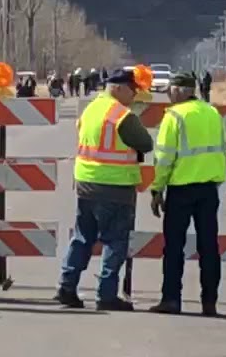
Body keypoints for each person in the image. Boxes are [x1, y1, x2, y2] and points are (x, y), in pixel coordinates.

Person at [55, 68, 154, 311]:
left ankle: (67, 286)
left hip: (86, 181)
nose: (134, 96)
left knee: (82, 237)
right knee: (115, 241)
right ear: (118, 88)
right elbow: (145, 143)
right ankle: (106, 294)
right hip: (115, 185)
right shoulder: (121, 115)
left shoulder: (91, 109)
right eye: (132, 91)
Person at [147, 73, 226, 317]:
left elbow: (164, 157)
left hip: (181, 188)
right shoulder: (212, 113)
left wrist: (157, 189)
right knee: (209, 246)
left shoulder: (174, 116)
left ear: (181, 90)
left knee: (174, 247)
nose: (169, 92)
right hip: (208, 188)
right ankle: (209, 301)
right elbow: (223, 149)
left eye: (171, 88)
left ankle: (171, 298)